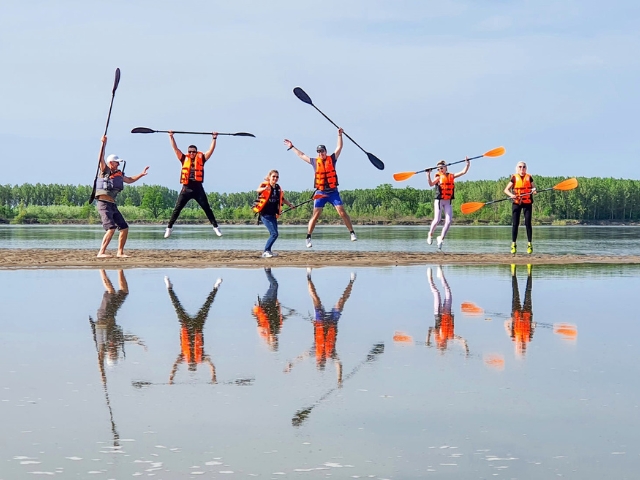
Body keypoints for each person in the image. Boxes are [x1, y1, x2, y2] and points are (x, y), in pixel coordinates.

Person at [284, 128, 357, 248]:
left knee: (342, 212)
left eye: (322, 151)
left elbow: (339, 148)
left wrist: (339, 135)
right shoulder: (314, 161)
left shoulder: (332, 159)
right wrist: (292, 147)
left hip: (333, 192)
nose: (320, 153)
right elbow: (301, 155)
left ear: (325, 152)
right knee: (316, 215)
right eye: (318, 152)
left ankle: (352, 233)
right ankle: (308, 237)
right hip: (320, 192)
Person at [284, 268, 356, 384]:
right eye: (321, 362)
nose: (320, 360)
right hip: (332, 321)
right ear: (324, 362)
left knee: (315, 299)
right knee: (341, 301)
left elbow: (301, 357)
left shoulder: (313, 351)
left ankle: (308, 276)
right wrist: (339, 378)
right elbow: (338, 364)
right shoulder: (331, 354)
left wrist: (291, 364)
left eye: (319, 362)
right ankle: (352, 281)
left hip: (320, 322)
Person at [95, 135, 149, 258]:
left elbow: (129, 180)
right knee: (111, 228)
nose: (118, 165)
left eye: (119, 163)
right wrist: (103, 144)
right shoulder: (105, 170)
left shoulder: (119, 174)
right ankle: (101, 252)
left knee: (124, 227)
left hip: (113, 204)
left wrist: (141, 174)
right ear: (110, 163)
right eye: (116, 162)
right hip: (103, 204)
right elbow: (100, 158)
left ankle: (120, 252)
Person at [164, 131, 222, 238]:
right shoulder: (183, 159)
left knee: (207, 208)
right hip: (186, 188)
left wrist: (214, 138)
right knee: (177, 208)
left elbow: (211, 150)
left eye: (193, 152)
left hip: (198, 188)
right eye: (190, 151)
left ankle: (216, 227)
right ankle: (169, 227)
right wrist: (171, 137)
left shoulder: (202, 159)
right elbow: (175, 149)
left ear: (196, 152)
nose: (191, 153)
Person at [164, 275, 222, 384]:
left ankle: (169, 288)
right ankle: (216, 287)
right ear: (195, 364)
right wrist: (213, 375)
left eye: (190, 364)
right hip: (197, 327)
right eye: (193, 364)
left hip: (186, 326)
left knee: (177, 306)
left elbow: (175, 365)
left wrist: (171, 377)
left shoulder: (183, 356)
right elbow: (211, 365)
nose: (191, 363)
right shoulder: (200, 357)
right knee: (207, 305)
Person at [426, 158, 470, 250]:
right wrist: (428, 174)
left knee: (449, 221)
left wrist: (467, 164)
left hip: (448, 201)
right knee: (437, 219)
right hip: (439, 200)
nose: (440, 170)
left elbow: (463, 172)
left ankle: (441, 238)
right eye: (438, 169)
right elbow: (430, 184)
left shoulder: (451, 176)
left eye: (441, 168)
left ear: (446, 168)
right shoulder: (438, 177)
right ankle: (430, 234)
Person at [252, 170, 295, 258]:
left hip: (273, 215)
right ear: (270, 177)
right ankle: (266, 251)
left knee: (275, 234)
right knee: (274, 234)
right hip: (265, 215)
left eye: (277, 177)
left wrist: (290, 204)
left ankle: (269, 251)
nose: (275, 178)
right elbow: (257, 190)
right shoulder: (265, 185)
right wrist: (264, 189)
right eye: (273, 176)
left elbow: (282, 199)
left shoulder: (277, 188)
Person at [426, 266, 468, 354]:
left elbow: (430, 329)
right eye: (443, 346)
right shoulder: (449, 336)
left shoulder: (437, 336)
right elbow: (460, 339)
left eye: (440, 346)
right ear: (445, 345)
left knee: (436, 293)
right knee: (448, 292)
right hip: (447, 312)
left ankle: (430, 279)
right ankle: (441, 275)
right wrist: (465, 346)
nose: (442, 344)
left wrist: (428, 339)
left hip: (438, 313)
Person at [252, 268, 297, 351]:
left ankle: (267, 270)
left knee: (274, 285)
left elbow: (258, 319)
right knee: (273, 286)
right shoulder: (277, 330)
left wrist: (256, 308)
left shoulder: (263, 332)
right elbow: (281, 318)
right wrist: (290, 314)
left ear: (270, 341)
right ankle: (268, 270)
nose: (275, 339)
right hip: (272, 303)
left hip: (265, 304)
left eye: (274, 341)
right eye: (276, 340)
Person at [504, 161, 537, 254]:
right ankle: (513, 244)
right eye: (520, 167)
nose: (522, 169)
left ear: (526, 168)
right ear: (517, 168)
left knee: (528, 223)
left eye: (524, 167)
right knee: (515, 223)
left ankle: (529, 244)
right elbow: (506, 190)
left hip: (527, 203)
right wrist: (511, 195)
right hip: (517, 202)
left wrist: (534, 191)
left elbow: (533, 188)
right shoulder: (514, 178)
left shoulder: (529, 177)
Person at [505, 264, 535, 357]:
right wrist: (533, 324)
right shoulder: (529, 338)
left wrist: (511, 320)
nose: (522, 346)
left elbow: (506, 324)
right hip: (527, 313)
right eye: (522, 348)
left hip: (516, 313)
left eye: (521, 348)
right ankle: (529, 273)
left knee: (515, 291)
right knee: (528, 291)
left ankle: (513, 273)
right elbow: (533, 326)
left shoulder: (513, 337)